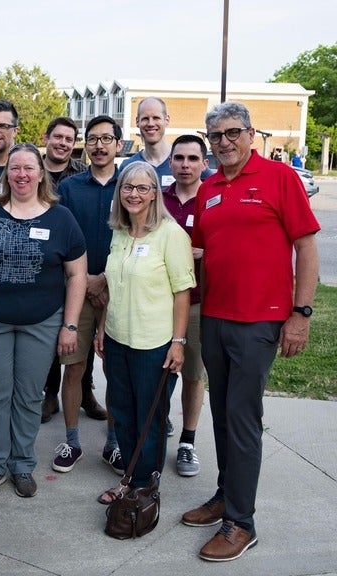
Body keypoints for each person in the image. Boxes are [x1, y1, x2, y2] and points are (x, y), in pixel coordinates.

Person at [184, 101, 319, 562]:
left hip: (260, 320)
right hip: (217, 316)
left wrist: (301, 313)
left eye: (232, 133)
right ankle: (227, 493)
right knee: (221, 413)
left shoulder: (280, 179)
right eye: (216, 136)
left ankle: (241, 522)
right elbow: (198, 250)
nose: (224, 142)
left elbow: (305, 245)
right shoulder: (209, 188)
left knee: (241, 418)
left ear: (251, 133)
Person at [0, 143, 87, 498]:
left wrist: (70, 324)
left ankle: (22, 463)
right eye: (15, 168)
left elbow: (77, 274)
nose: (21, 175)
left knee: (30, 396)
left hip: (42, 322)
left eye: (29, 168)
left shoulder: (61, 218)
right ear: (7, 173)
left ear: (41, 172)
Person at [94, 161, 195, 506]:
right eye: (127, 187)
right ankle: (130, 476)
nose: (133, 194)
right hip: (118, 339)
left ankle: (144, 485)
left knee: (149, 417)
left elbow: (183, 292)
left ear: (155, 193)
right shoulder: (120, 232)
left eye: (142, 188)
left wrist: (178, 343)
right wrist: (102, 328)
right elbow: (114, 284)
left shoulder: (171, 234)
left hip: (154, 343)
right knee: (122, 411)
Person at [53, 115, 124, 475]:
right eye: (92, 139)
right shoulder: (69, 187)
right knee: (74, 367)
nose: (98, 145)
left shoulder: (130, 185)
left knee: (116, 370)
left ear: (119, 144)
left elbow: (139, 236)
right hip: (77, 291)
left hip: (119, 292)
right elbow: (61, 236)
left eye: (106, 138)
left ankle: (113, 443)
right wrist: (86, 280)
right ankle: (72, 440)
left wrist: (105, 281)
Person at [39, 117, 103, 424]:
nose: (63, 143)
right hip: (53, 266)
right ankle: (50, 393)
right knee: (55, 333)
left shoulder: (81, 173)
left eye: (69, 139)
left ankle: (86, 392)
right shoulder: (35, 172)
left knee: (83, 336)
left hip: (84, 268)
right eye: (58, 137)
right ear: (47, 138)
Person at [163, 134, 210, 477]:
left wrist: (204, 254)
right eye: (179, 158)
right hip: (157, 301)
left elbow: (230, 246)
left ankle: (187, 443)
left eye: (193, 159)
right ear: (170, 162)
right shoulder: (157, 199)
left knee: (193, 375)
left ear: (204, 164)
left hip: (195, 301)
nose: (185, 165)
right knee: (156, 372)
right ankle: (150, 434)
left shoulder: (213, 199)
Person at [121, 97, 212, 186]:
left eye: (156, 118)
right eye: (145, 118)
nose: (151, 124)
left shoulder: (187, 162)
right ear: (137, 122)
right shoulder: (128, 166)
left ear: (167, 120)